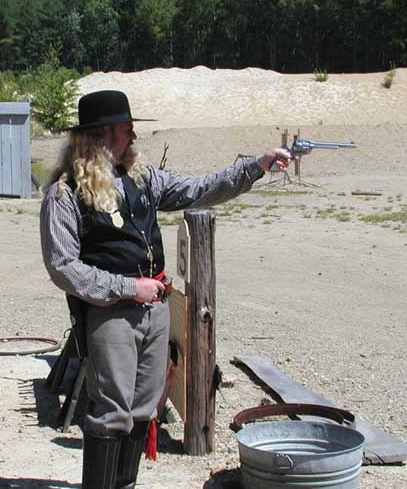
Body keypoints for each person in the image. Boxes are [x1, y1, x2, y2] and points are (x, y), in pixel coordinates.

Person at [39, 90, 291, 489]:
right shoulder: (65, 193)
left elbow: (199, 189)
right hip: (111, 316)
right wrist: (126, 288)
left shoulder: (143, 178)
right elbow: (63, 267)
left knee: (142, 410)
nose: (133, 137)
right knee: (111, 415)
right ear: (102, 135)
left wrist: (256, 167)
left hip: (153, 311)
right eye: (126, 129)